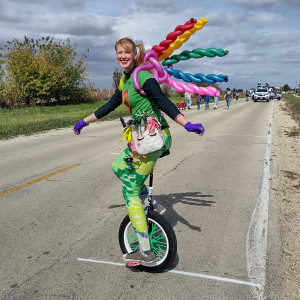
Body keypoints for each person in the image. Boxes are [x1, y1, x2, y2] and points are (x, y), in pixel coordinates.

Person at [73, 37, 205, 264]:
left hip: (153, 138)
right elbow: (110, 106)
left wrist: (186, 124)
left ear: (135, 54)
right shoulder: (125, 81)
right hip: (140, 139)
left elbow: (162, 101)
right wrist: (84, 121)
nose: (122, 56)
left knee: (129, 191)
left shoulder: (142, 76)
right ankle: (151, 202)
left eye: (126, 52)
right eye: (119, 53)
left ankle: (145, 249)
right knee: (117, 166)